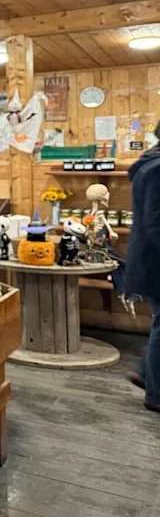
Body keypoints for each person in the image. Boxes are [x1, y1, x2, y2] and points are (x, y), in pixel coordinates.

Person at [122, 121, 160, 413]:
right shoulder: (156, 168)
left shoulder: (149, 165)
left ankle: (146, 373)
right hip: (155, 261)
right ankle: (155, 394)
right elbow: (156, 224)